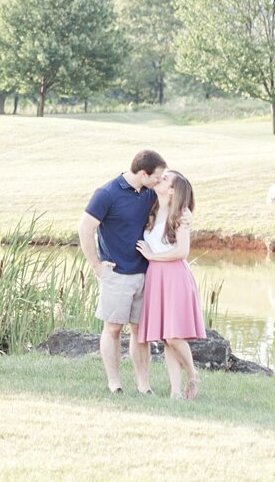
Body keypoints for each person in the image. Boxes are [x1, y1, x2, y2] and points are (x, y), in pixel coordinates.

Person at [78, 148, 167, 393]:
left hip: (145, 272)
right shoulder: (107, 194)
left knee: (141, 333)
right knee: (113, 328)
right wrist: (96, 265)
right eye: (157, 176)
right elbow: (85, 228)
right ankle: (114, 383)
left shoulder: (149, 193)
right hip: (117, 274)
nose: (159, 180)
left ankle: (143, 385)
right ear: (142, 172)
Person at [136, 170, 206, 399]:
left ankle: (193, 374)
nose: (160, 179)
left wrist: (152, 256)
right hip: (157, 277)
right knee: (167, 337)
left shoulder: (182, 214)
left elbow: (182, 251)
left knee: (174, 335)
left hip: (174, 276)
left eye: (166, 179)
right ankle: (175, 391)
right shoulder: (154, 209)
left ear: (173, 190)